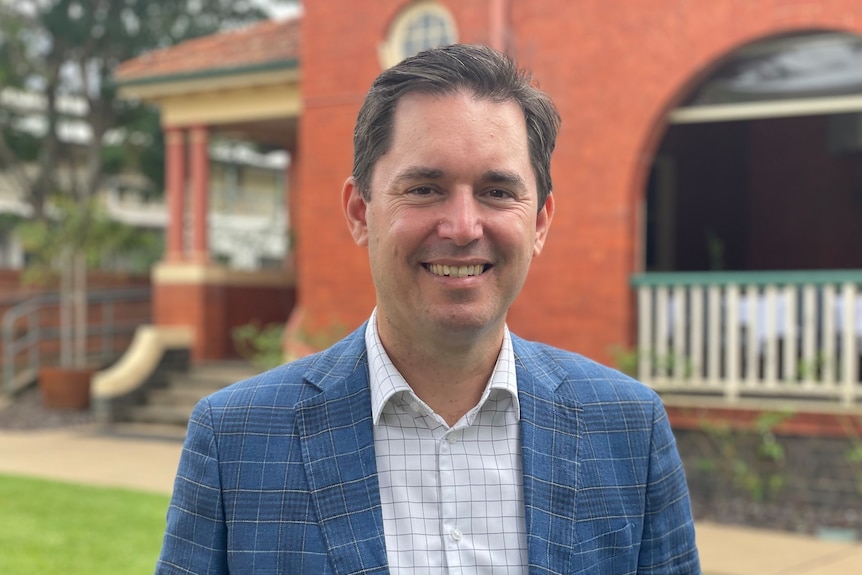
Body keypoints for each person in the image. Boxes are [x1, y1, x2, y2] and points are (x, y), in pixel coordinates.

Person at [156, 44, 701, 574]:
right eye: (424, 188)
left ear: (540, 222)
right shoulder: (236, 441)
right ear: (359, 212)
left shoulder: (629, 428)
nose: (463, 227)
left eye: (496, 191)